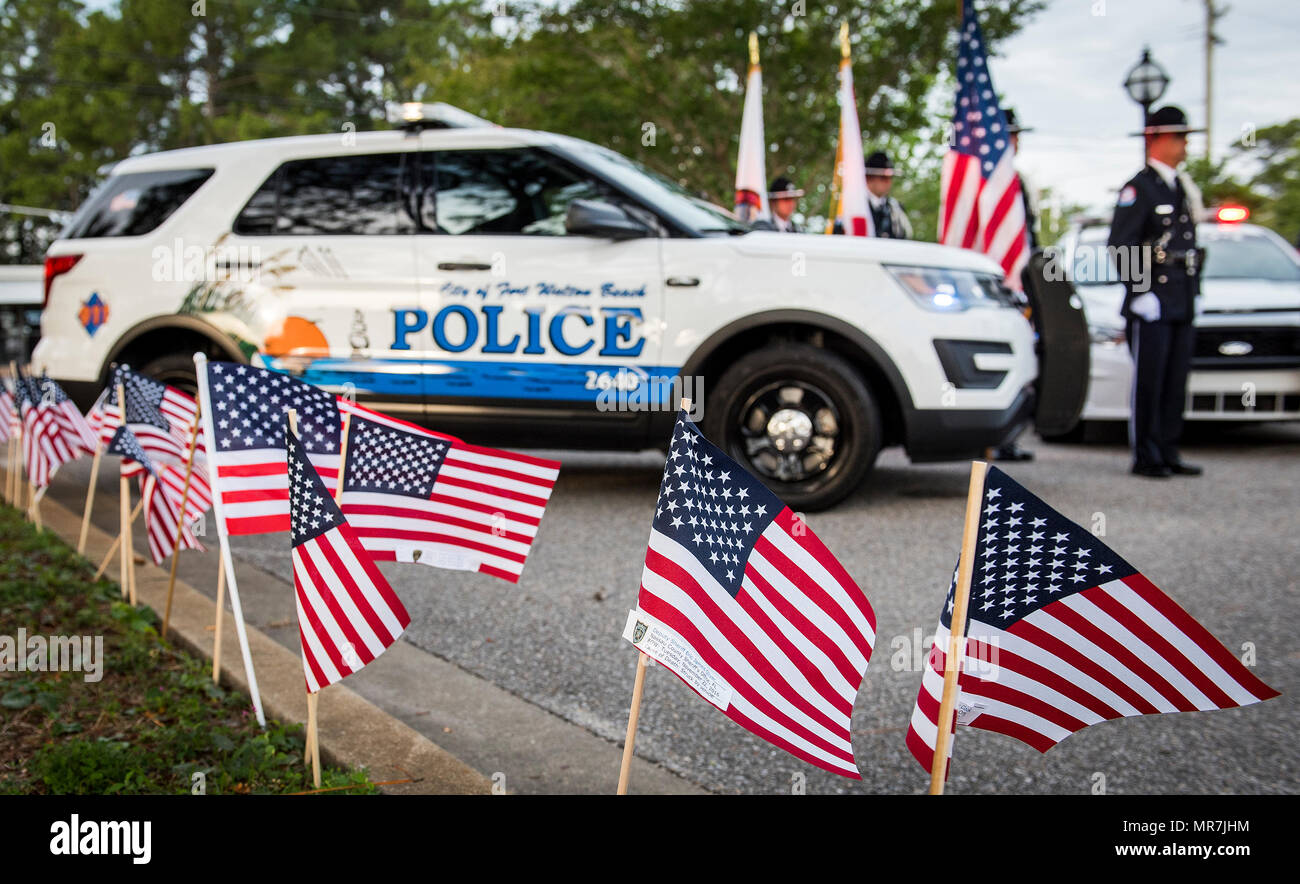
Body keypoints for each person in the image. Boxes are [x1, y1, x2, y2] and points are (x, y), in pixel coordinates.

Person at [1108, 105, 1205, 479]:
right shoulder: (1139, 187)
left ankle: (1167, 449)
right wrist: (1139, 291)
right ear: (1156, 139)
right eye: (1178, 137)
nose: (1184, 145)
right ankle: (1146, 454)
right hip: (1153, 296)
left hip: (1181, 294)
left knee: (1175, 377)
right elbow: (1121, 245)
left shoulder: (1180, 186)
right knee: (1150, 379)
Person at [863, 151, 912, 239]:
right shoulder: (855, 206)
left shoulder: (895, 208)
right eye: (883, 178)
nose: (888, 182)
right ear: (868, 178)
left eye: (890, 177)